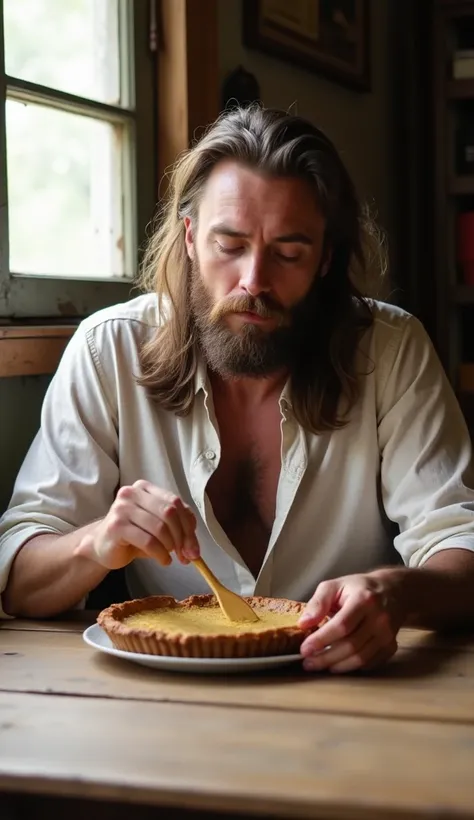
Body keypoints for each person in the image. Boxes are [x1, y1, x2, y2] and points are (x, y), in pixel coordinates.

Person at [1, 105, 474, 674]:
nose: (254, 281)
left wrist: (399, 592)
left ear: (325, 259)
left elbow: (461, 544)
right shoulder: (109, 351)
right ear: (191, 236)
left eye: (288, 253)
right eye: (229, 245)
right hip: (158, 705)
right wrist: (96, 543)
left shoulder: (393, 351)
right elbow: (20, 581)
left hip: (350, 694)